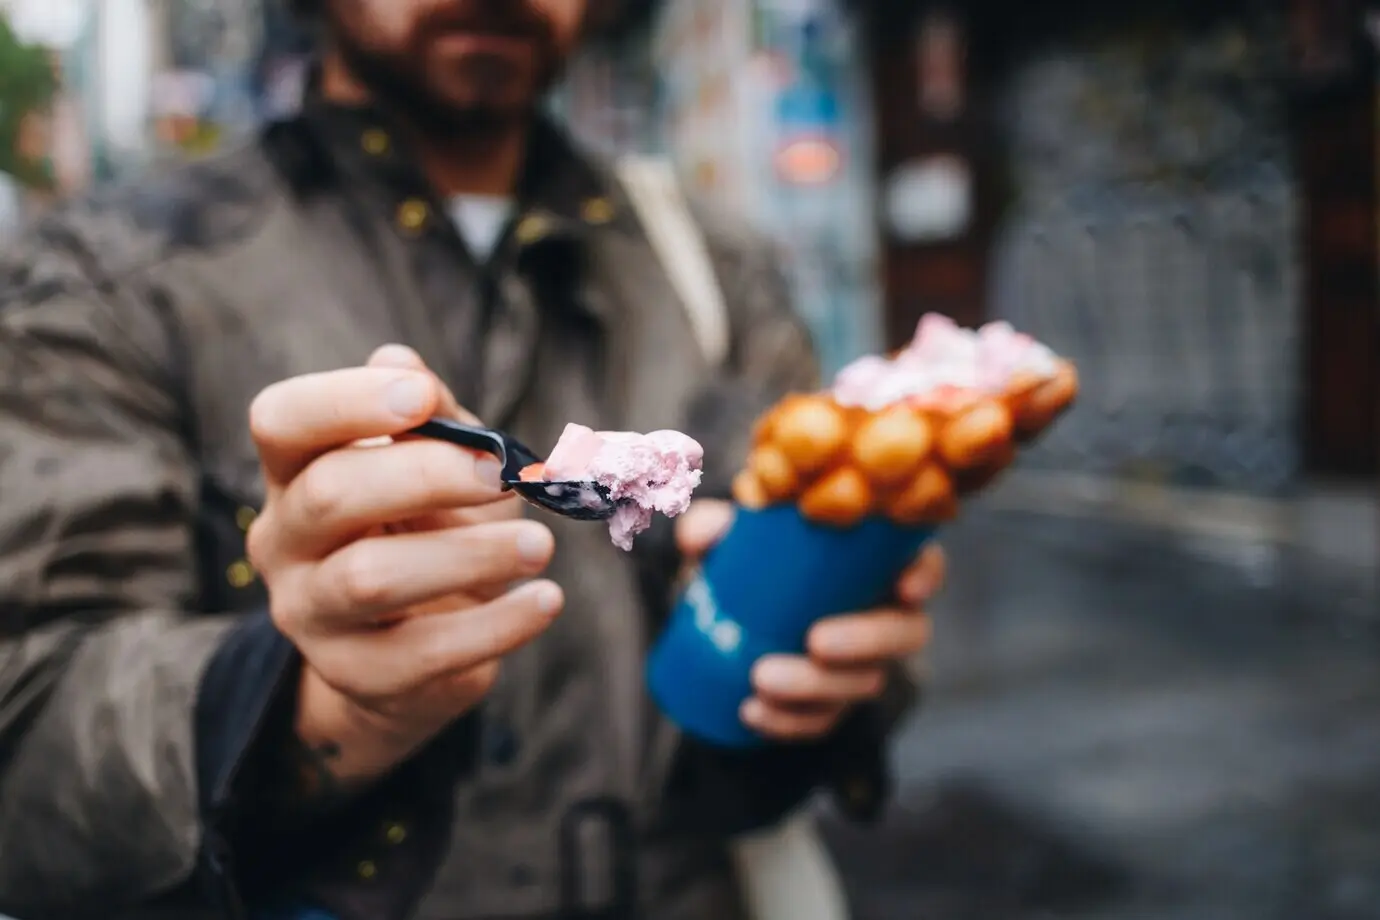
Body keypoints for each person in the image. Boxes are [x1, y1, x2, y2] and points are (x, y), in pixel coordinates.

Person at [0, 2, 944, 919]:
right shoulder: (109, 279)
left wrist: (825, 659)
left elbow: (819, 649)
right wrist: (307, 713)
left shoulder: (715, 265)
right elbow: (28, 748)